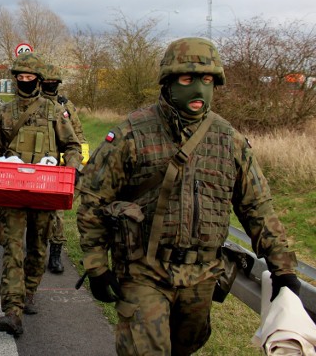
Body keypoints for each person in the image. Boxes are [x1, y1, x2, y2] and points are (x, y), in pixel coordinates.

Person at [76, 37, 300, 355]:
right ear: (168, 82)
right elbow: (92, 199)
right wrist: (97, 266)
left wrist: (284, 269)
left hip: (202, 276)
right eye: (187, 79)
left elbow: (258, 208)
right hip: (144, 271)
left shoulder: (229, 142)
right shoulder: (131, 134)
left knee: (187, 346)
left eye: (207, 80)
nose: (199, 89)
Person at [0, 52, 82, 337]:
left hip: (44, 190)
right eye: (20, 77)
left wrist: (73, 169)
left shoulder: (54, 112)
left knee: (37, 248)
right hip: (11, 189)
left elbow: (72, 145)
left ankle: (30, 290)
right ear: (15, 79)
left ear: (38, 80)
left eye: (30, 78)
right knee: (12, 249)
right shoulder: (4, 113)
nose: (25, 82)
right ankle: (12, 310)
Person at [40, 62, 87, 274]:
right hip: (37, 165)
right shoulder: (34, 102)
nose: (50, 85)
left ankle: (56, 254)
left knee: (57, 213)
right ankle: (34, 250)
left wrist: (75, 165)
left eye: (53, 82)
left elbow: (77, 136)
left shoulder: (66, 106)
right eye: (46, 81)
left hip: (59, 166)